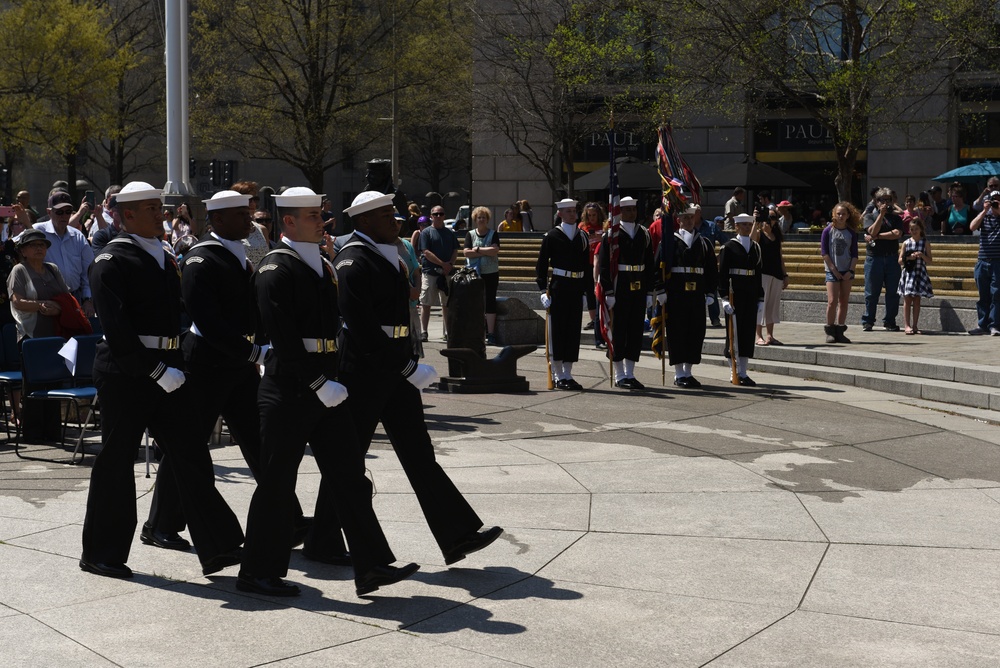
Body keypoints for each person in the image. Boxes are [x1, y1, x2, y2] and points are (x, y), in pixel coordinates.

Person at [238, 186, 417, 597]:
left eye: (321, 215)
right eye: (313, 216)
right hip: (290, 390)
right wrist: (319, 383)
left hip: (326, 388)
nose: (323, 222)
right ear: (287, 221)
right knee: (277, 484)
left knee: (350, 477)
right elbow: (282, 341)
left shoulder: (321, 264)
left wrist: (329, 381)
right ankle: (256, 572)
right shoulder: (274, 270)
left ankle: (372, 566)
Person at [81, 181, 244, 580]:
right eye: (150, 207)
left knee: (191, 454)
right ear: (126, 215)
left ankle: (220, 544)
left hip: (169, 365)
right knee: (117, 462)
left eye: (159, 206)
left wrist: (175, 363)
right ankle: (102, 552)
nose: (160, 212)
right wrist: (155, 370)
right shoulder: (110, 260)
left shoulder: (164, 255)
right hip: (128, 373)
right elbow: (117, 330)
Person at [139, 190, 313, 556]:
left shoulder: (239, 255)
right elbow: (209, 321)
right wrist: (254, 350)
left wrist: (261, 344)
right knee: (188, 446)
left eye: (248, 214)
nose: (248, 221)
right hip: (205, 364)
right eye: (239, 215)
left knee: (260, 442)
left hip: (237, 363)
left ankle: (288, 517)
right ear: (216, 220)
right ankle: (160, 525)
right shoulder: (201, 260)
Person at [335, 191, 503, 568]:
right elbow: (360, 326)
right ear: (363, 222)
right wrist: (406, 367)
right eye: (385, 215)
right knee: (347, 460)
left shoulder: (385, 252)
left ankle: (457, 533)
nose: (395, 221)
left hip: (393, 366)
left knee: (419, 454)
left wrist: (405, 362)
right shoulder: (352, 259)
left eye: (394, 214)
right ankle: (324, 538)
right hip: (363, 371)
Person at [656, 204, 717, 388]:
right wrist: (660, 290)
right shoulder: (669, 243)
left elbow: (711, 271)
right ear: (678, 220)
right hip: (676, 293)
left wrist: (710, 292)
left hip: (697, 293)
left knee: (695, 332)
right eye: (685, 218)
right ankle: (679, 373)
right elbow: (659, 266)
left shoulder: (704, 243)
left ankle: (688, 372)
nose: (689, 221)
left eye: (691, 217)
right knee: (677, 332)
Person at [598, 195, 654, 389]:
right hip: (620, 284)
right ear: (619, 211)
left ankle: (630, 373)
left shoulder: (644, 234)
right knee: (619, 329)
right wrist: (609, 292)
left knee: (635, 330)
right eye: (627, 209)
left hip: (638, 283)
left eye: (634, 209)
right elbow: (604, 266)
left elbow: (649, 264)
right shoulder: (612, 235)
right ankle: (619, 374)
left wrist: (649, 291)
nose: (632, 213)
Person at [536, 198, 590, 390]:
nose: (572, 214)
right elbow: (541, 266)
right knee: (558, 330)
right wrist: (543, 290)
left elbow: (587, 267)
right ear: (559, 214)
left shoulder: (582, 236)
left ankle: (568, 372)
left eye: (574, 211)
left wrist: (586, 292)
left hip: (576, 287)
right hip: (559, 286)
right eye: (567, 211)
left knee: (573, 330)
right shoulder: (551, 236)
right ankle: (558, 374)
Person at [32, 191, 95, 318]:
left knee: (76, 337)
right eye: (59, 212)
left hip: (75, 298)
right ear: (49, 212)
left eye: (68, 211)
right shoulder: (38, 231)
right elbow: (14, 247)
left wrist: (88, 299)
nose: (64, 216)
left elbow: (88, 271)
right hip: (46, 301)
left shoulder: (78, 236)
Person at [718, 213, 763, 386]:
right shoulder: (728, 247)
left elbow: (758, 275)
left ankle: (743, 372)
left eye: (748, 224)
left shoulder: (756, 248)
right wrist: (724, 298)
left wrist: (760, 297)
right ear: (736, 227)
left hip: (750, 294)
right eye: (742, 225)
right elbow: (722, 275)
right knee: (733, 334)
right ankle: (733, 371)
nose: (746, 227)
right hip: (734, 294)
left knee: (747, 332)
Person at [7, 230, 70, 341]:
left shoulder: (52, 269)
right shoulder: (19, 270)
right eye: (33, 245)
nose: (39, 248)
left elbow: (68, 298)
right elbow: (18, 303)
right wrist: (45, 305)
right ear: (23, 251)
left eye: (41, 245)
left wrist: (58, 309)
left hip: (58, 331)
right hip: (30, 335)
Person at [861, 187, 903, 332]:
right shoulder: (869, 216)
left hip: (892, 257)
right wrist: (881, 216)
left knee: (893, 292)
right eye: (882, 200)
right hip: (874, 258)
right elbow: (871, 231)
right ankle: (868, 321)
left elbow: (897, 233)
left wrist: (878, 236)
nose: (886, 203)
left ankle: (890, 321)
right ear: (877, 202)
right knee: (872, 292)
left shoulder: (896, 218)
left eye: (888, 200)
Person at [417, 204, 458, 342]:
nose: (438, 216)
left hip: (446, 273)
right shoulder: (426, 233)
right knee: (426, 303)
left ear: (444, 216)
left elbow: (455, 251)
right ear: (431, 216)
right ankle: (424, 331)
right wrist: (442, 264)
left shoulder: (450, 233)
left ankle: (447, 332)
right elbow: (426, 252)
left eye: (441, 214)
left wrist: (450, 265)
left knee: (446, 304)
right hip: (430, 272)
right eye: (435, 214)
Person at [821, 202, 860, 343]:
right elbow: (824, 252)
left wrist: (850, 270)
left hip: (847, 270)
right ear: (833, 215)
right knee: (832, 301)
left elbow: (855, 254)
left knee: (844, 301)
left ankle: (840, 330)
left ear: (848, 215)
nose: (841, 216)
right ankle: (830, 330)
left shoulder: (851, 233)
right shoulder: (827, 231)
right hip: (832, 270)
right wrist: (833, 270)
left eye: (844, 214)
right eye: (838, 213)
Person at [751, 206, 789, 346]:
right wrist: (756, 221)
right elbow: (751, 240)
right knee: (761, 304)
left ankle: (770, 335)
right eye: (768, 217)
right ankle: (758, 335)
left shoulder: (776, 236)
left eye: (773, 218)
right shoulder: (760, 234)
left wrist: (785, 274)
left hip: (776, 274)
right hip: (763, 273)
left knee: (772, 306)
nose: (769, 220)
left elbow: (780, 256)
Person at [463, 206, 501, 344]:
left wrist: (478, 249)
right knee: (476, 302)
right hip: (475, 274)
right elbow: (466, 252)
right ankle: (477, 331)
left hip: (491, 273)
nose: (481, 220)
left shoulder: (493, 233)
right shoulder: (470, 234)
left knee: (490, 302)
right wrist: (486, 251)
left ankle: (491, 333)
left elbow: (495, 250)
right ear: (475, 219)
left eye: (484, 217)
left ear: (487, 219)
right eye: (479, 217)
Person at [968, 189, 1000, 335]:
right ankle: (982, 325)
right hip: (982, 261)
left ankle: (994, 325)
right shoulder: (984, 217)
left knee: (996, 294)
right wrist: (984, 210)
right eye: (993, 200)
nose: (995, 203)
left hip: (997, 262)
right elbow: (972, 227)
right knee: (983, 295)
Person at [898, 218, 933, 335]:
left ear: (921, 230)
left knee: (917, 299)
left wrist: (922, 255)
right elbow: (900, 260)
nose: (914, 231)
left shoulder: (925, 243)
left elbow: (930, 260)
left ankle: (915, 325)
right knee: (907, 299)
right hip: (909, 273)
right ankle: (906, 325)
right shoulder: (906, 243)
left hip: (920, 272)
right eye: (912, 229)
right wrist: (908, 258)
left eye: (916, 229)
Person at [578, 202, 604, 336]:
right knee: (589, 291)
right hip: (587, 263)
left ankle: (602, 318)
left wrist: (600, 237)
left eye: (594, 215)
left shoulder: (604, 226)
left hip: (601, 263)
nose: (592, 217)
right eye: (589, 215)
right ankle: (593, 319)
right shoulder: (582, 227)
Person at [231, 181, 271, 267]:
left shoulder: (262, 230)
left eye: (255, 199)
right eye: (249, 199)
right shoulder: (230, 229)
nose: (253, 203)